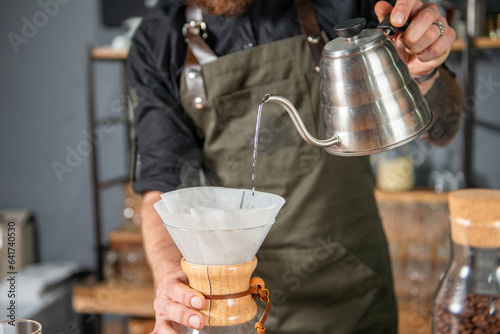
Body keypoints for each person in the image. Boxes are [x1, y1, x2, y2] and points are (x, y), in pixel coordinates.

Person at [126, 0, 462, 333]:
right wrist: (173, 277)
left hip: (351, 296)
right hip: (234, 300)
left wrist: (423, 75)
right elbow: (164, 187)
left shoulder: (340, 6)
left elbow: (445, 127)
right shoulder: (160, 38)